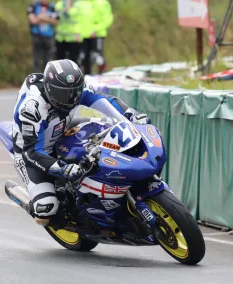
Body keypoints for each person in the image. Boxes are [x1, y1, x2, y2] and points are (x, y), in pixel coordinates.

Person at [12, 59, 150, 226]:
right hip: (32, 152)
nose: (72, 98)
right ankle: (33, 202)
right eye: (65, 94)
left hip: (64, 127)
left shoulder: (76, 87)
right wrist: (63, 168)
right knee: (46, 210)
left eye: (75, 91)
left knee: (105, 129)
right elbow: (31, 152)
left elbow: (101, 100)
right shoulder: (32, 109)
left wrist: (130, 114)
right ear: (49, 89)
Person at [80, 0, 113, 75]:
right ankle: (87, 76)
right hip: (84, 35)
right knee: (84, 57)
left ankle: (102, 74)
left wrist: (96, 29)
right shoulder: (82, 2)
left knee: (97, 57)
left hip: (97, 34)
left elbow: (108, 20)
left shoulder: (103, 3)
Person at [27, 0, 60, 72]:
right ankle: (37, 77)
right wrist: (48, 19)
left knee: (48, 60)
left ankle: (48, 77)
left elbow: (56, 21)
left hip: (49, 36)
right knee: (37, 60)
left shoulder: (52, 7)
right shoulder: (34, 6)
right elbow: (33, 20)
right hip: (37, 36)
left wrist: (42, 18)